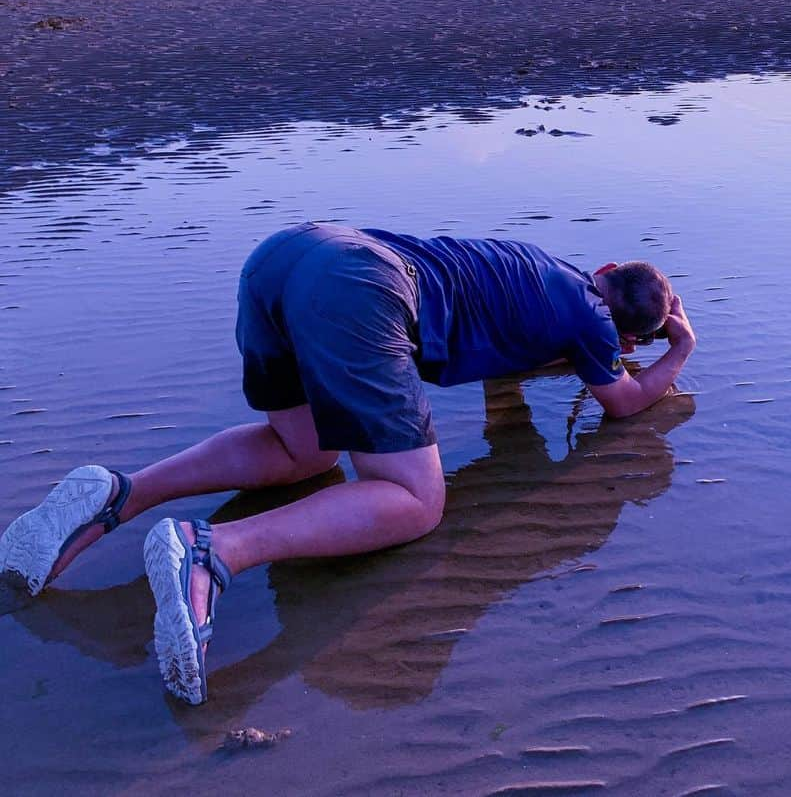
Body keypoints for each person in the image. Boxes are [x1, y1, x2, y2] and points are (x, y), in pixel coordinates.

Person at [0, 222, 695, 705]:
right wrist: (677, 348)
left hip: (289, 257)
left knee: (307, 449)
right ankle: (211, 551)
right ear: (627, 331)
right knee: (418, 496)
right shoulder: (596, 323)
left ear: (604, 267)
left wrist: (561, 359)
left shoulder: (546, 269)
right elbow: (625, 403)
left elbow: (502, 380)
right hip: (363, 289)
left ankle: (122, 491)